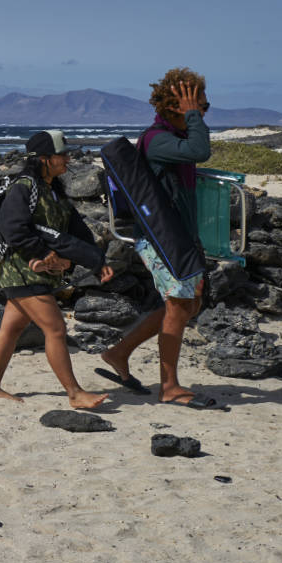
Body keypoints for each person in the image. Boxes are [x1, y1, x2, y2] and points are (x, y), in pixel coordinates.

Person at [98, 69, 213, 405]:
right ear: (177, 107)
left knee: (188, 305)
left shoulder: (171, 138)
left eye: (204, 107)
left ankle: (118, 353)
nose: (203, 112)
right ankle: (169, 387)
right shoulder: (157, 140)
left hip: (179, 236)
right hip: (160, 238)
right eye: (199, 106)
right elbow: (200, 150)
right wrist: (193, 116)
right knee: (178, 306)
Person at [0, 129, 115, 407]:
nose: (68, 158)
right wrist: (44, 254)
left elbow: (77, 231)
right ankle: (75, 393)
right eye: (62, 154)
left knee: (11, 328)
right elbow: (13, 229)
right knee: (55, 330)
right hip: (22, 268)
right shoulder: (24, 186)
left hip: (36, 269)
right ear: (44, 158)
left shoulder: (53, 189)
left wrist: (95, 261)